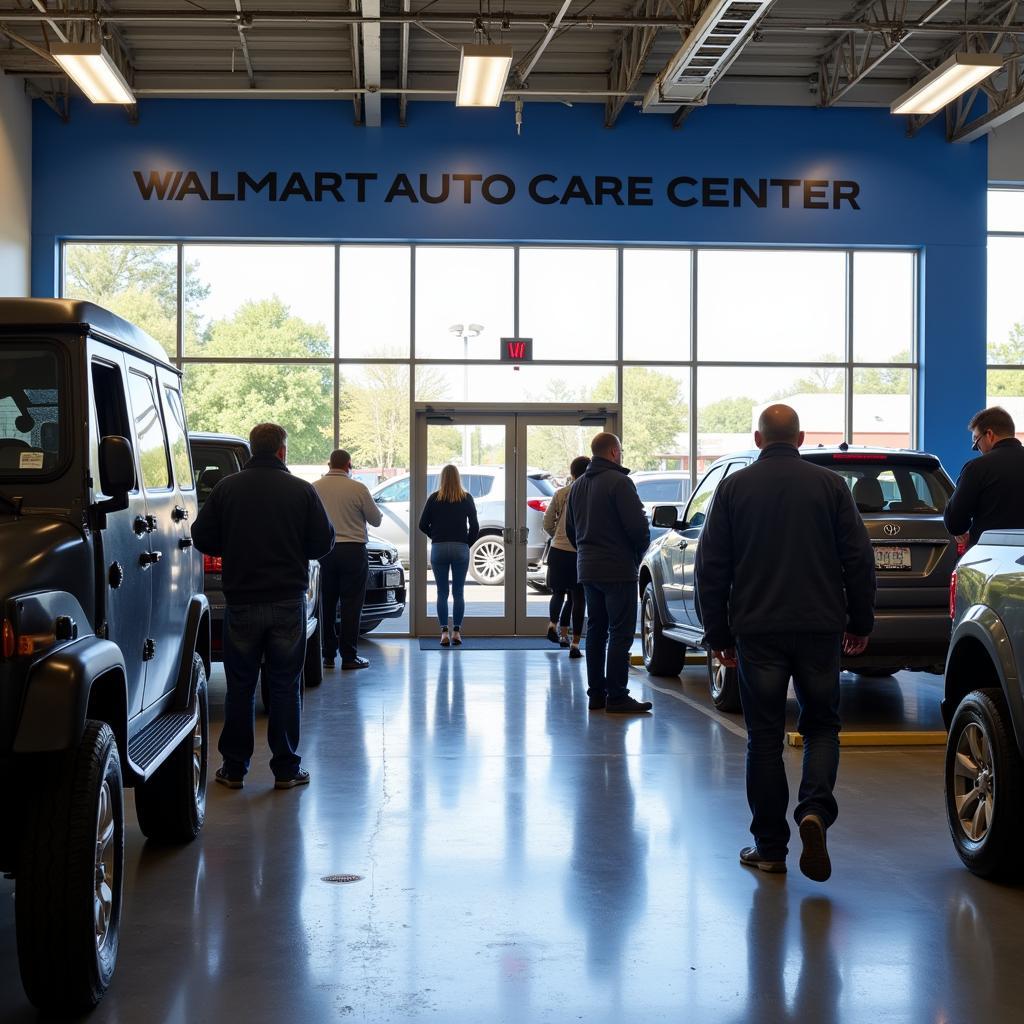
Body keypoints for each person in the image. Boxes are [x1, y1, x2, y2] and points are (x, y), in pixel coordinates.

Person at [694, 405, 876, 882]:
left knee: (764, 739)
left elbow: (711, 567)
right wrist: (860, 621)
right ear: (800, 438)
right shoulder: (830, 486)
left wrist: (717, 635)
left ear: (758, 438)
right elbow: (858, 558)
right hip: (820, 628)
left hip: (758, 631)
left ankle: (770, 847)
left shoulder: (733, 488)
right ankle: (814, 811)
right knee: (821, 727)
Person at [193, 423, 335, 790]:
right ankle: (286, 769)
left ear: (253, 449)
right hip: (287, 601)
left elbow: (201, 535)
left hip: (240, 600)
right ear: (282, 451)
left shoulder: (226, 489)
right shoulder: (302, 491)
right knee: (285, 685)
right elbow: (324, 542)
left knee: (240, 686)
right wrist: (293, 550)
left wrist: (233, 546)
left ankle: (234, 769)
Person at [566, 433, 652, 713]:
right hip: (617, 569)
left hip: (588, 569)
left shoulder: (577, 486)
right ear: (614, 452)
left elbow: (570, 530)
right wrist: (636, 554)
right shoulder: (620, 482)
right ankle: (617, 695)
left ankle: (596, 695)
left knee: (596, 631)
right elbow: (638, 528)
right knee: (620, 633)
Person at [313, 448, 384, 671]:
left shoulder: (314, 487)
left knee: (325, 603)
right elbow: (376, 520)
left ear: (329, 464)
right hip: (353, 552)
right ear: (348, 465)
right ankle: (349, 657)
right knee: (351, 605)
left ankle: (328, 655)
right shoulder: (358, 488)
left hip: (324, 552)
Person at [944, 405, 1024, 549]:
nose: (977, 449)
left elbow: (955, 523)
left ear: (989, 434)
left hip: (990, 556)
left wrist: (963, 529)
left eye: (976, 442)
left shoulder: (977, 468)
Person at [418, 465, 479, 646]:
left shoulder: (434, 498)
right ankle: (457, 632)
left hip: (439, 548)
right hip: (460, 547)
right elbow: (475, 527)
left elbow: (422, 524)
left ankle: (444, 632)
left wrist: (435, 536)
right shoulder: (467, 498)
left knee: (442, 592)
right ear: (458, 478)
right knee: (458, 593)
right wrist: (466, 543)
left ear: (442, 479)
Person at [543, 455, 590, 659]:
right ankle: (575, 644)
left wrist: (557, 536)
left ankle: (555, 627)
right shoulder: (589, 494)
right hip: (579, 552)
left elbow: (546, 523)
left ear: (571, 473)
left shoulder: (561, 493)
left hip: (558, 551)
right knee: (578, 598)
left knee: (559, 593)